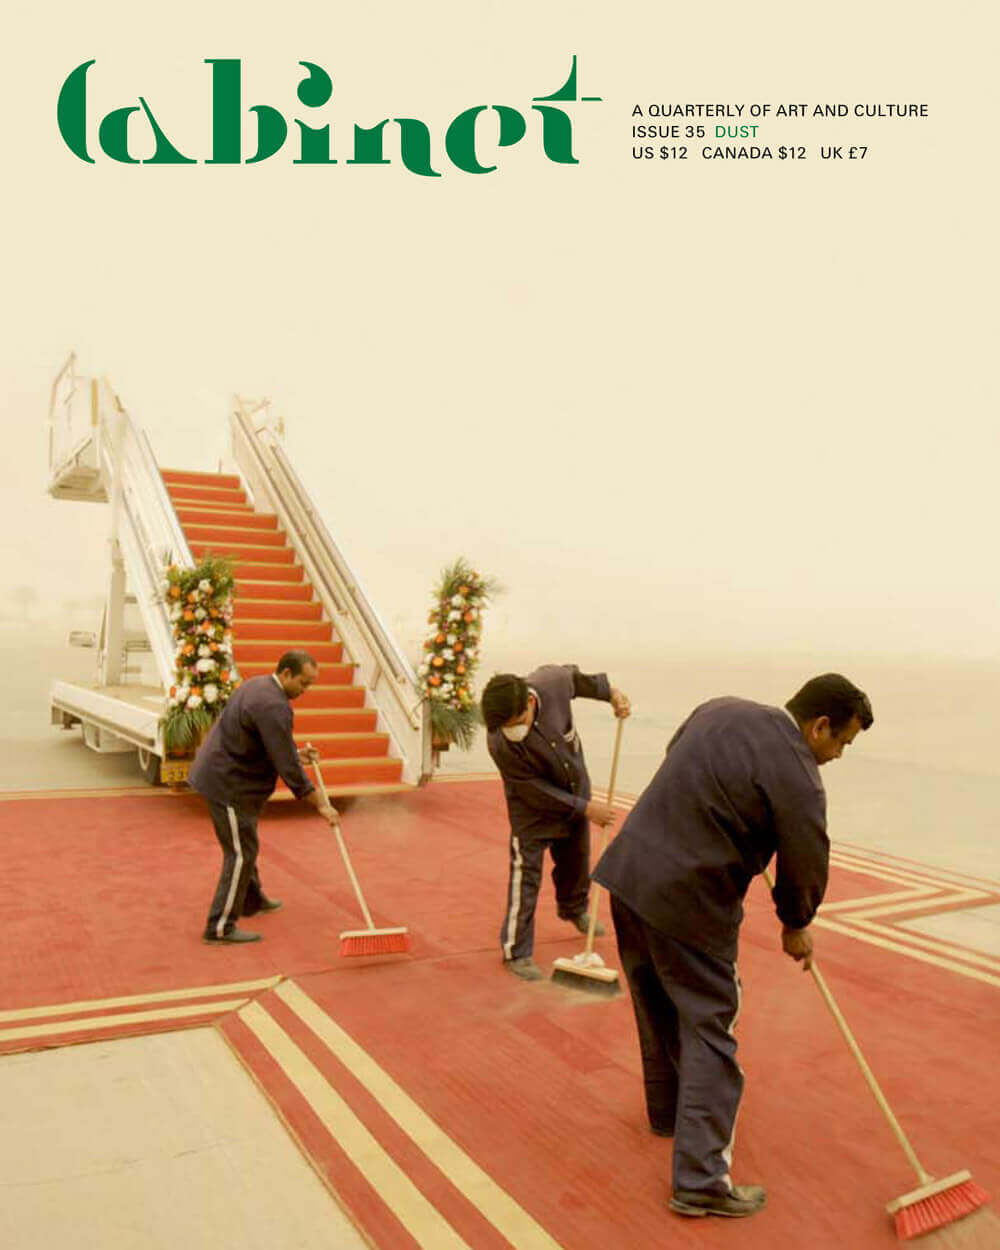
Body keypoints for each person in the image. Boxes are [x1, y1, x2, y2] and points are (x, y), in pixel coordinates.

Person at [592, 673, 873, 1219]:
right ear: (819, 726)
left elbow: (683, 761)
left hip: (629, 876)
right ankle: (701, 1178)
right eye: (842, 741)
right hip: (689, 901)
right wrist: (796, 923)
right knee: (711, 1026)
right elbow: (807, 860)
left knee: (656, 1002)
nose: (838, 755)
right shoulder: (800, 774)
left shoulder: (719, 708)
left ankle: (670, 1113)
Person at [481, 664, 631, 981]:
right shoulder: (499, 742)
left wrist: (612, 695)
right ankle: (516, 951)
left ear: (530, 704)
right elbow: (531, 789)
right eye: (503, 727)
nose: (512, 732)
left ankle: (573, 909)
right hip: (532, 810)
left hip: (575, 789)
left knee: (576, 860)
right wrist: (586, 809)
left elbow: (578, 680)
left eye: (515, 723)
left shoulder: (552, 682)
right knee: (526, 879)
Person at [188, 649, 340, 944]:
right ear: (286, 674)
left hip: (235, 777)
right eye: (304, 683)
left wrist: (295, 754)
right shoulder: (273, 704)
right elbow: (288, 769)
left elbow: (264, 741)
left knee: (247, 844)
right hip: (228, 783)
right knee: (241, 852)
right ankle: (219, 927)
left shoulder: (258, 685)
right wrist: (319, 802)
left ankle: (251, 900)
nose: (305, 691)